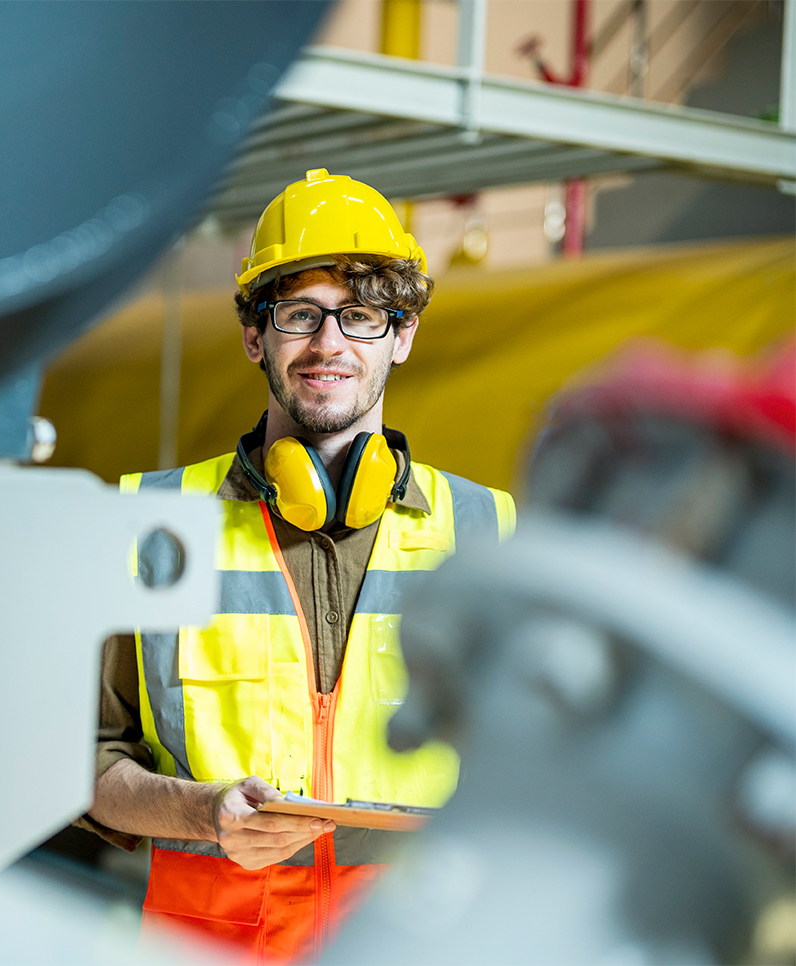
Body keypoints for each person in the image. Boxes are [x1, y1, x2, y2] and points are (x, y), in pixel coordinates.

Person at [76, 170, 516, 963]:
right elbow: (81, 762)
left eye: (361, 316)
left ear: (403, 335)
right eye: (300, 315)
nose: (329, 345)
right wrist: (202, 814)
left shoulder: (489, 534)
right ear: (255, 335)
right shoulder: (152, 526)